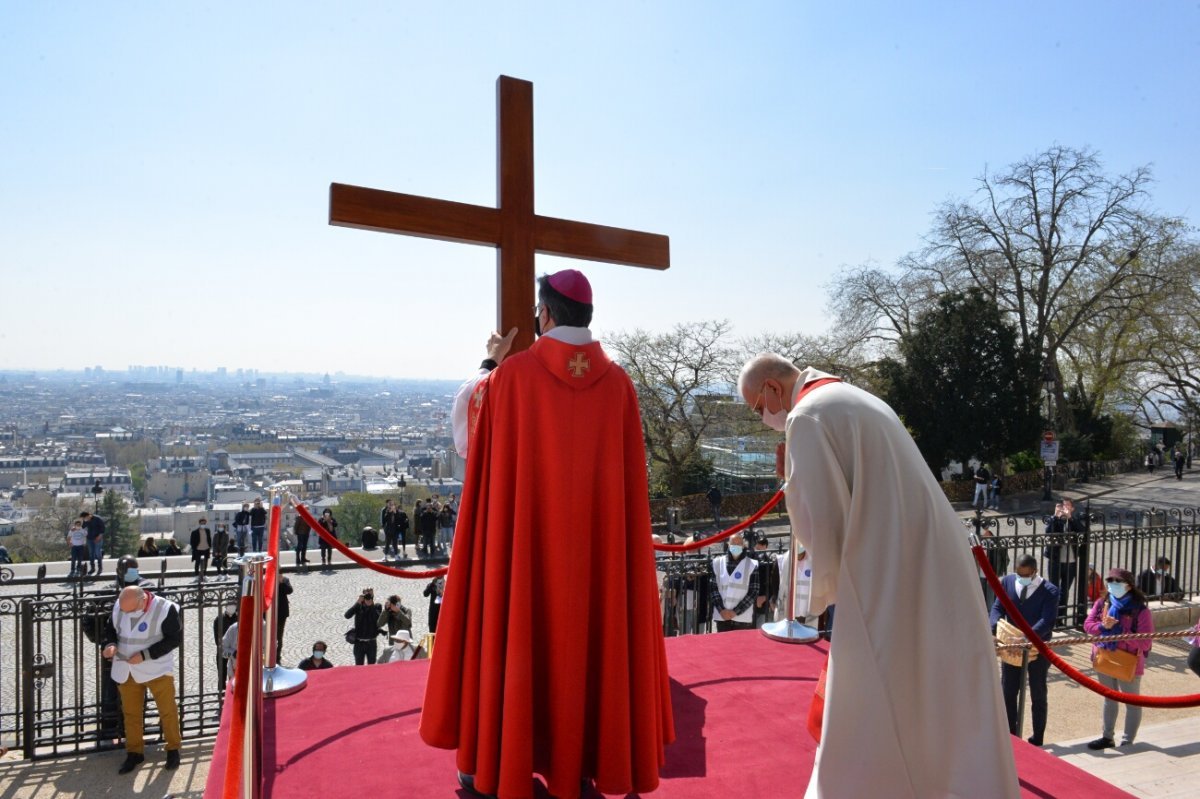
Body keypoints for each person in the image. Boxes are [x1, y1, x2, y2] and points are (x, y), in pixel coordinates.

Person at [422, 270, 674, 799]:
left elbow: (470, 433)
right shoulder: (620, 386)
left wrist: (490, 360)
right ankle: (584, 762)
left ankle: (498, 760)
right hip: (594, 565)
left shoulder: (511, 378)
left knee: (515, 632)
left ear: (546, 315)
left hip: (526, 558)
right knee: (590, 634)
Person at [736, 353, 1017, 797]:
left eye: (758, 407)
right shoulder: (852, 396)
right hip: (932, 557)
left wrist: (792, 484)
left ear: (772, 388)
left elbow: (823, 523)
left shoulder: (807, 416)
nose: (764, 416)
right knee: (940, 688)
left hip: (890, 571)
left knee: (873, 695)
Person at [100, 586, 183, 774]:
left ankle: (173, 749)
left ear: (142, 600)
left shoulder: (165, 608)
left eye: (130, 610)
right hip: (126, 668)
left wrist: (146, 655)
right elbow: (110, 630)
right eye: (123, 610)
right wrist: (110, 645)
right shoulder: (120, 606)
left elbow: (174, 639)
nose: (125, 613)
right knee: (131, 713)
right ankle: (135, 752)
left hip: (156, 669)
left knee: (167, 710)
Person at [989, 554, 1059, 746]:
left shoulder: (1050, 590)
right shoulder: (1008, 582)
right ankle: (1011, 737)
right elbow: (997, 607)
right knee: (1008, 692)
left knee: (1038, 693)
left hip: (1037, 648)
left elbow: (1047, 620)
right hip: (1011, 647)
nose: (1021, 577)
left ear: (1034, 572)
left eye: (1025, 574)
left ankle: (1037, 738)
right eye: (1018, 573)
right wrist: (994, 628)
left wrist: (1026, 637)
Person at [1085, 569, 1154, 749]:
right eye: (1111, 580)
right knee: (1109, 698)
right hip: (1104, 656)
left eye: (1118, 581)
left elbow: (1145, 643)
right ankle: (1107, 737)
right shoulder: (1102, 603)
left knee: (1132, 703)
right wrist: (1102, 625)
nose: (1113, 584)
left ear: (1129, 586)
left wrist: (1120, 632)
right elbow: (1088, 626)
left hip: (1128, 662)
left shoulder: (1141, 610)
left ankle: (1127, 741)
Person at [707, 531, 760, 632]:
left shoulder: (752, 565)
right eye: (733, 544)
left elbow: (754, 591)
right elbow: (713, 589)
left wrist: (735, 612)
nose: (736, 546)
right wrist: (721, 610)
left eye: (739, 544)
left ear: (743, 545)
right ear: (728, 544)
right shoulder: (717, 563)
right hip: (722, 617)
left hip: (742, 618)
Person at [1043, 499, 1085, 618]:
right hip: (1055, 560)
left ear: (1072, 509)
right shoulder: (1055, 520)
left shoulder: (1073, 521)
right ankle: (1053, 616)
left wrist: (1070, 517)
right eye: (1062, 505)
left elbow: (1082, 531)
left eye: (1067, 506)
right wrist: (1056, 516)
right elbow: (1048, 532)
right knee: (1053, 589)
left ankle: (1061, 616)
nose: (1064, 508)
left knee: (1065, 590)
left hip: (1070, 561)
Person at [345, 588, 382, 665]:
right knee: (359, 667)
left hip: (371, 643)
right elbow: (347, 615)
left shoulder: (377, 607)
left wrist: (371, 605)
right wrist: (357, 602)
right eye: (366, 596)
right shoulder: (358, 607)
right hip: (359, 643)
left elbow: (378, 619)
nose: (368, 598)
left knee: (371, 667)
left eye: (370, 596)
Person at [752, 531, 779, 628]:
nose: (759, 546)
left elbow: (774, 583)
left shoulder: (770, 562)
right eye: (758, 543)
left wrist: (766, 597)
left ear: (766, 546)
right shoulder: (751, 560)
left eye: (762, 544)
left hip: (764, 604)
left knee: (762, 629)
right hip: (750, 604)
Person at [213, 605, 238, 692]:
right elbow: (217, 640)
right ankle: (221, 694)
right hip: (223, 652)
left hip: (236, 653)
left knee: (235, 676)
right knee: (222, 676)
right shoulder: (218, 619)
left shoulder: (239, 618)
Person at [81, 510, 105, 576]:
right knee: (91, 554)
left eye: (85, 518)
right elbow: (83, 527)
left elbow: (102, 528)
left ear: (88, 515)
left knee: (97, 552)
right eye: (84, 518)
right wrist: (84, 521)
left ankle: (100, 568)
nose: (85, 519)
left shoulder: (98, 519)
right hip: (89, 539)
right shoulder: (86, 520)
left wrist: (99, 536)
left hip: (98, 538)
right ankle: (92, 568)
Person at [275, 576, 293, 662]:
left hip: (281, 613)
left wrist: (281, 583)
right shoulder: (266, 579)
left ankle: (277, 656)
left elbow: (289, 591)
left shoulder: (284, 580)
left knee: (279, 636)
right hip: (268, 612)